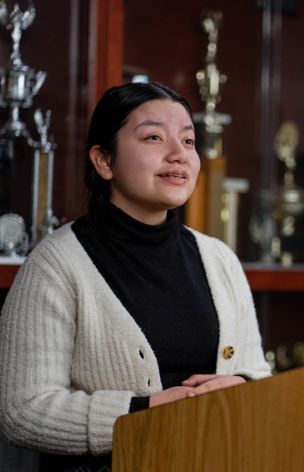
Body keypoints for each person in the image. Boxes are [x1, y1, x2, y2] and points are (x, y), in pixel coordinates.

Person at [0, 82, 271, 471]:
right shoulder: (54, 265)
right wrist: (143, 411)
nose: (179, 154)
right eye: (154, 137)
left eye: (189, 141)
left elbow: (258, 373)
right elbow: (23, 412)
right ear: (104, 161)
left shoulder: (219, 259)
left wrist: (244, 386)